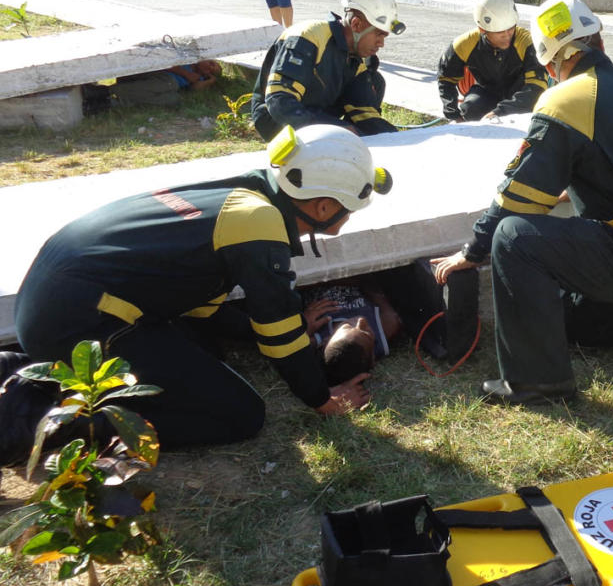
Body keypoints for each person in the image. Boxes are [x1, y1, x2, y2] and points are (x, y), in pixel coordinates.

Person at [14, 124, 392, 448]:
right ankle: (59, 426)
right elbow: (278, 333)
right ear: (325, 207)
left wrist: (289, 326)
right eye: (351, 209)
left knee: (208, 354)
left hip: (51, 306)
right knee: (240, 415)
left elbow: (201, 302)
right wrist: (321, 398)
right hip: (75, 325)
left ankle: (44, 380)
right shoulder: (258, 222)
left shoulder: (241, 196)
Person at [430, 0, 613, 406]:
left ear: (550, 61)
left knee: (514, 239)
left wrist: (474, 249)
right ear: (597, 39)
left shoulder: (568, 98)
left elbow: (517, 197)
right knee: (555, 311)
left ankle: (538, 383)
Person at [251, 0, 405, 141]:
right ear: (356, 24)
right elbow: (279, 102)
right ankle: (334, 142)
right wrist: (339, 129)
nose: (381, 44)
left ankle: (340, 142)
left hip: (317, 115)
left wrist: (400, 138)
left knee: (375, 80)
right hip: (276, 118)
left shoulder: (357, 59)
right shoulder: (307, 36)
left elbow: (366, 115)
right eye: (379, 34)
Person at [437, 0, 548, 122]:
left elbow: (536, 88)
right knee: (470, 109)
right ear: (482, 29)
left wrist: (500, 112)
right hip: (486, 92)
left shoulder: (527, 42)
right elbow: (445, 79)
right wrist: (454, 115)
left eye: (511, 28)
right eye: (500, 32)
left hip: (521, 95)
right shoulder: (464, 44)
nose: (507, 35)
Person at [81, 61, 222, 114]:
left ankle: (105, 103)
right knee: (168, 84)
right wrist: (186, 74)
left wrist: (210, 80)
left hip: (165, 88)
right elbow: (167, 63)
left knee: (171, 99)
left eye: (211, 70)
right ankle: (105, 93)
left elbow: (196, 89)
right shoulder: (189, 59)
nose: (208, 68)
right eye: (210, 64)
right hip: (157, 76)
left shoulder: (200, 77)